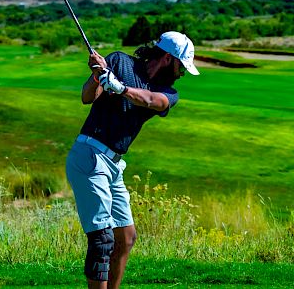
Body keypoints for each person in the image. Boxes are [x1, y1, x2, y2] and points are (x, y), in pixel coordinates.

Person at [66, 31, 199, 288]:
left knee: (125, 238)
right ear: (169, 59)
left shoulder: (167, 91)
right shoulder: (118, 61)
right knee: (102, 239)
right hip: (90, 156)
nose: (182, 72)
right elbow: (87, 96)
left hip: (114, 165)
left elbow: (153, 101)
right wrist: (98, 76)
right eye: (182, 66)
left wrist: (120, 88)